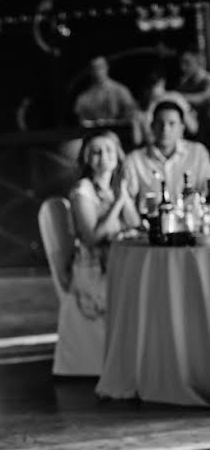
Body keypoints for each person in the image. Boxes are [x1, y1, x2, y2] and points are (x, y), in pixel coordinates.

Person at [68, 131, 140, 319]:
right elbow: (92, 238)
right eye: (96, 152)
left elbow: (135, 226)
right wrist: (118, 203)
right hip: (95, 270)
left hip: (121, 262)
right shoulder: (82, 190)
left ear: (118, 154)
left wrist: (123, 195)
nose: (104, 156)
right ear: (87, 158)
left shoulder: (115, 187)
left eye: (109, 150)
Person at [122, 100, 210, 204]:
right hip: (150, 219)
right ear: (152, 126)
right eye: (160, 123)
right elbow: (127, 200)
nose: (165, 129)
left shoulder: (198, 153)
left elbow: (205, 192)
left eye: (172, 124)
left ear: (182, 127)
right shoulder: (135, 159)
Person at [133, 73, 197, 146]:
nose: (151, 90)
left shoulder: (176, 98)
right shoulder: (140, 110)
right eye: (148, 87)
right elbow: (137, 141)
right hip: (152, 150)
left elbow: (193, 128)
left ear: (163, 82)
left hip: (178, 147)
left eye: (155, 85)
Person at [74, 56, 137, 127]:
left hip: (117, 131)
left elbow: (131, 114)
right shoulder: (84, 97)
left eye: (101, 68)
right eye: (94, 68)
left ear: (107, 68)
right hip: (92, 133)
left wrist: (112, 122)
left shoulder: (120, 90)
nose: (98, 72)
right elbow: (81, 120)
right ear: (90, 71)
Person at [176, 50, 210, 144]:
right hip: (196, 134)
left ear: (199, 60)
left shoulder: (207, 80)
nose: (183, 67)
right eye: (181, 63)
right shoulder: (185, 84)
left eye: (187, 62)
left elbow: (204, 97)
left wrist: (179, 96)